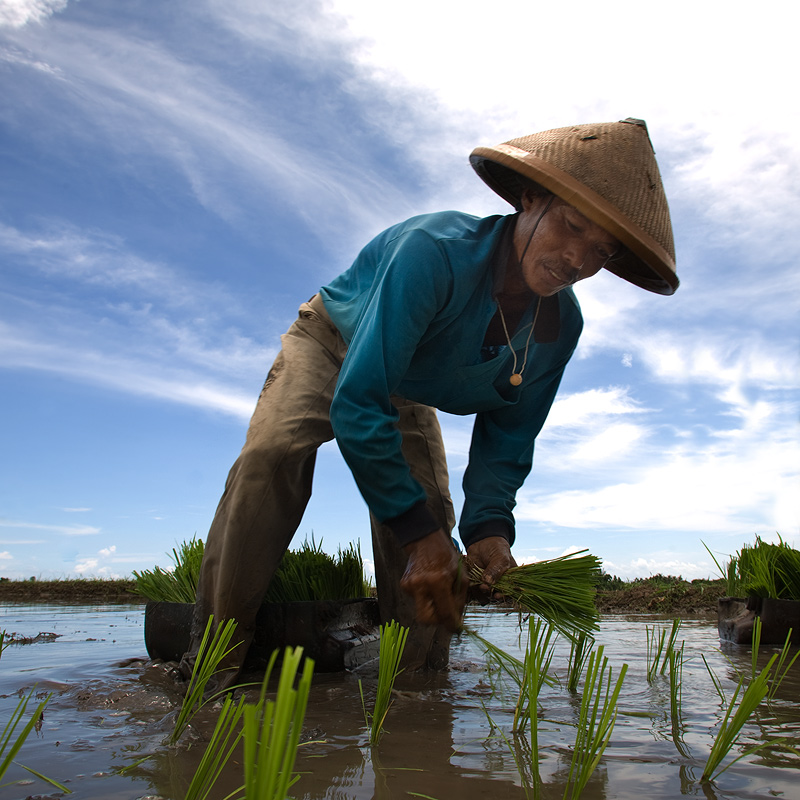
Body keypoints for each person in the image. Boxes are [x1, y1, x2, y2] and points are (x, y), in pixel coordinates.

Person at [179, 118, 678, 686]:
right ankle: (210, 669)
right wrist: (421, 536)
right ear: (531, 199)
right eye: (571, 226)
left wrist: (489, 529)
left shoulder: (559, 327)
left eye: (601, 250)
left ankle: (416, 685)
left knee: (429, 518)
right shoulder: (434, 253)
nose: (579, 260)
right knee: (270, 459)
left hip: (405, 382)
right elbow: (359, 402)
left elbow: (509, 437)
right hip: (336, 342)